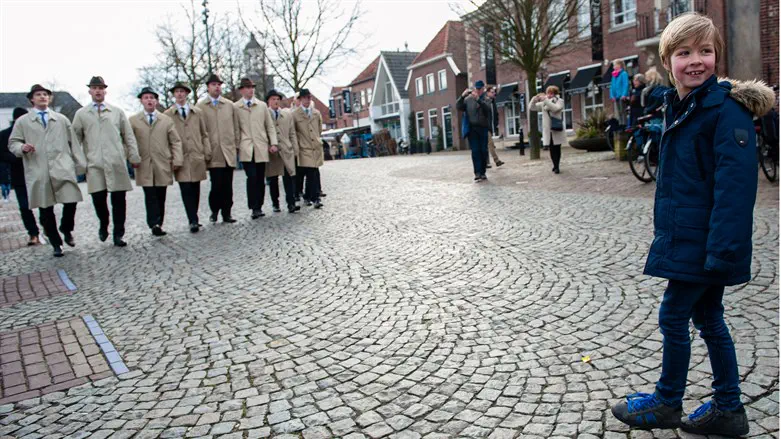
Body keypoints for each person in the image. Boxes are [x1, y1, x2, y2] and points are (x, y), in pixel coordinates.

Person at [610, 12, 775, 437]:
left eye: (705, 51)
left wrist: (721, 252)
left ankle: (668, 401)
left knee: (674, 315)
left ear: (717, 56)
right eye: (684, 53)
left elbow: (734, 192)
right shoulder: (684, 107)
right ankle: (729, 408)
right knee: (708, 316)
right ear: (668, 61)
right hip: (689, 237)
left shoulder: (725, 111)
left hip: (705, 243)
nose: (696, 60)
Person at [9, 85, 87, 257]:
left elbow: (73, 143)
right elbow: (12, 142)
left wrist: (80, 164)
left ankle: (66, 228)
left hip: (62, 167)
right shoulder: (23, 122)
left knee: (71, 199)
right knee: (46, 208)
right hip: (38, 168)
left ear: (49, 99)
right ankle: (56, 243)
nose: (42, 97)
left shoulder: (61, 119)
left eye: (45, 94)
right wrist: (22, 147)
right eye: (38, 95)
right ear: (32, 99)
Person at [72, 76, 141, 247]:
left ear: (105, 91)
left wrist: (133, 156)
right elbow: (75, 140)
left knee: (119, 200)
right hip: (94, 164)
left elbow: (128, 136)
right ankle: (104, 224)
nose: (98, 91)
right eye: (95, 88)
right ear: (89, 91)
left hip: (116, 161)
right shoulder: (81, 114)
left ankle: (119, 233)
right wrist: (80, 162)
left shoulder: (116, 112)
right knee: (98, 199)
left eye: (101, 88)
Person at [129, 87, 183, 237]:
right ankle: (154, 223)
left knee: (161, 194)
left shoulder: (166, 120)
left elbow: (175, 141)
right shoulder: (133, 121)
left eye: (152, 98)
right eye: (146, 98)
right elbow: (128, 140)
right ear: (141, 101)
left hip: (162, 162)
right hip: (144, 163)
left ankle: (160, 221)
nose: (149, 100)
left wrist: (177, 159)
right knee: (150, 194)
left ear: (156, 101)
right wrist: (131, 157)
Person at [165, 82, 212, 233]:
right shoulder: (168, 115)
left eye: (182, 92)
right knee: (185, 188)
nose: (179, 94)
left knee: (195, 188)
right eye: (177, 92)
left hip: (196, 154)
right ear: (174, 95)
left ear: (186, 94)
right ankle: (192, 219)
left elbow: (204, 134)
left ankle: (194, 215)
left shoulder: (197, 112)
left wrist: (206, 151)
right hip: (181, 156)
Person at [197, 74, 240, 224]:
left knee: (228, 185)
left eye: (219, 85)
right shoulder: (201, 107)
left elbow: (236, 127)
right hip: (213, 151)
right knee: (216, 185)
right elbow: (200, 130)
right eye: (214, 84)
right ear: (208, 87)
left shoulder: (229, 105)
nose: (217, 87)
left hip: (228, 150)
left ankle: (227, 213)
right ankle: (214, 210)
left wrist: (236, 145)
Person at [234, 77, 278, 219]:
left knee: (260, 178)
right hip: (246, 147)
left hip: (260, 146)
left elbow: (269, 126)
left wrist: (273, 143)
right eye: (247, 87)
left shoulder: (261, 106)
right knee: (251, 177)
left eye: (252, 87)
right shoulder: (236, 107)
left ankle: (259, 205)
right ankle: (254, 206)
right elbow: (235, 129)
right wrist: (236, 145)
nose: (250, 90)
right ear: (242, 90)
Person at [0, 108, 40, 245]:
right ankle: (33, 233)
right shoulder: (5, 134)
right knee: (24, 206)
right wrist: (18, 155)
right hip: (19, 175)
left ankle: (48, 228)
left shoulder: (33, 131)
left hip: (37, 173)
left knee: (44, 203)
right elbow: (2, 154)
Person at [265, 89, 300, 213]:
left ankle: (291, 203)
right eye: (273, 99)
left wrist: (295, 148)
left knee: (289, 177)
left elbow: (292, 133)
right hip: (272, 151)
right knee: (273, 179)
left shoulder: (287, 115)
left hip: (286, 149)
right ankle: (275, 203)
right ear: (268, 101)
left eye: (277, 99)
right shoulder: (265, 115)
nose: (276, 101)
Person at [292, 89, 324, 208]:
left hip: (315, 147)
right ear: (300, 100)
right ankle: (314, 198)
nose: (307, 100)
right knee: (311, 172)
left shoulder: (316, 113)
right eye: (304, 98)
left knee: (313, 173)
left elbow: (319, 129)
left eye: (309, 98)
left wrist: (317, 140)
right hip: (304, 147)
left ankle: (309, 196)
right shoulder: (295, 114)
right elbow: (293, 132)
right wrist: (297, 145)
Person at [456, 80, 492, 181]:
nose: (478, 90)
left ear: (483, 89)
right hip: (472, 129)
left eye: (480, 89)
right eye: (477, 89)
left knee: (483, 151)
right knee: (475, 151)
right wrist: (462, 96)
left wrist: (479, 100)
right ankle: (477, 173)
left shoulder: (486, 99)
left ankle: (483, 172)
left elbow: (487, 109)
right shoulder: (468, 99)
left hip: (483, 128)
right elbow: (459, 107)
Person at [529, 86, 567, 174]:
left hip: (556, 128)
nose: (549, 95)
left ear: (555, 93)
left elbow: (555, 108)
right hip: (548, 130)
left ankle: (557, 166)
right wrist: (534, 99)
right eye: (548, 93)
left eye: (551, 93)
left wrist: (545, 100)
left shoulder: (559, 101)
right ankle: (555, 165)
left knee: (557, 148)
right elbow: (532, 108)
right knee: (551, 148)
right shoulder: (544, 103)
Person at [484, 86, 505, 168]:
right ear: (487, 93)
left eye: (494, 92)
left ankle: (486, 163)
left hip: (491, 127)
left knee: (487, 146)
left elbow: (495, 114)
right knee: (491, 144)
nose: (494, 93)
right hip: (486, 127)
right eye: (492, 92)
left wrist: (496, 124)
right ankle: (497, 161)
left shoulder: (493, 102)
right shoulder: (485, 102)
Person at [610, 58, 631, 125]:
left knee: (623, 111)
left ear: (619, 65)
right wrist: (612, 95)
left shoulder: (623, 74)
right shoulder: (614, 75)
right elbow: (612, 86)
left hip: (622, 96)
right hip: (616, 96)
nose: (613, 67)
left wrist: (624, 94)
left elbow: (626, 84)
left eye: (615, 65)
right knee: (619, 111)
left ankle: (624, 124)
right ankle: (620, 124)